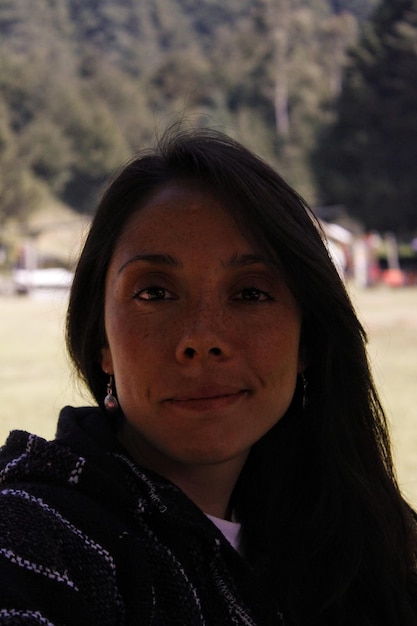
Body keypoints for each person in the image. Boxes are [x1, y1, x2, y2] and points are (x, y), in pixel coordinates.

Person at [0, 127, 416, 626]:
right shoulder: (35, 539)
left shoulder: (354, 546)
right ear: (102, 343)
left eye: (250, 293)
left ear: (308, 340)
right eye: (154, 292)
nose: (201, 337)